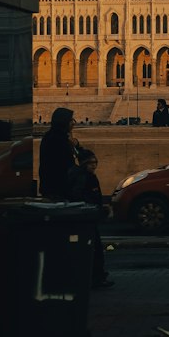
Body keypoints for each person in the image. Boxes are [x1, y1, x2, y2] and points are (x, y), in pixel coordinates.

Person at [65, 149, 114, 288]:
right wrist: (94, 207)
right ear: (84, 163)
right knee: (96, 249)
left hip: (84, 217)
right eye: (91, 163)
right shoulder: (85, 177)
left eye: (95, 162)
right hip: (87, 217)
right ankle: (97, 277)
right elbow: (80, 195)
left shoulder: (76, 174)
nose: (94, 165)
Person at [39, 107, 79, 200]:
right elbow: (66, 165)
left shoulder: (54, 136)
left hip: (53, 188)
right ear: (63, 122)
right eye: (70, 120)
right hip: (58, 189)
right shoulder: (57, 140)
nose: (73, 123)